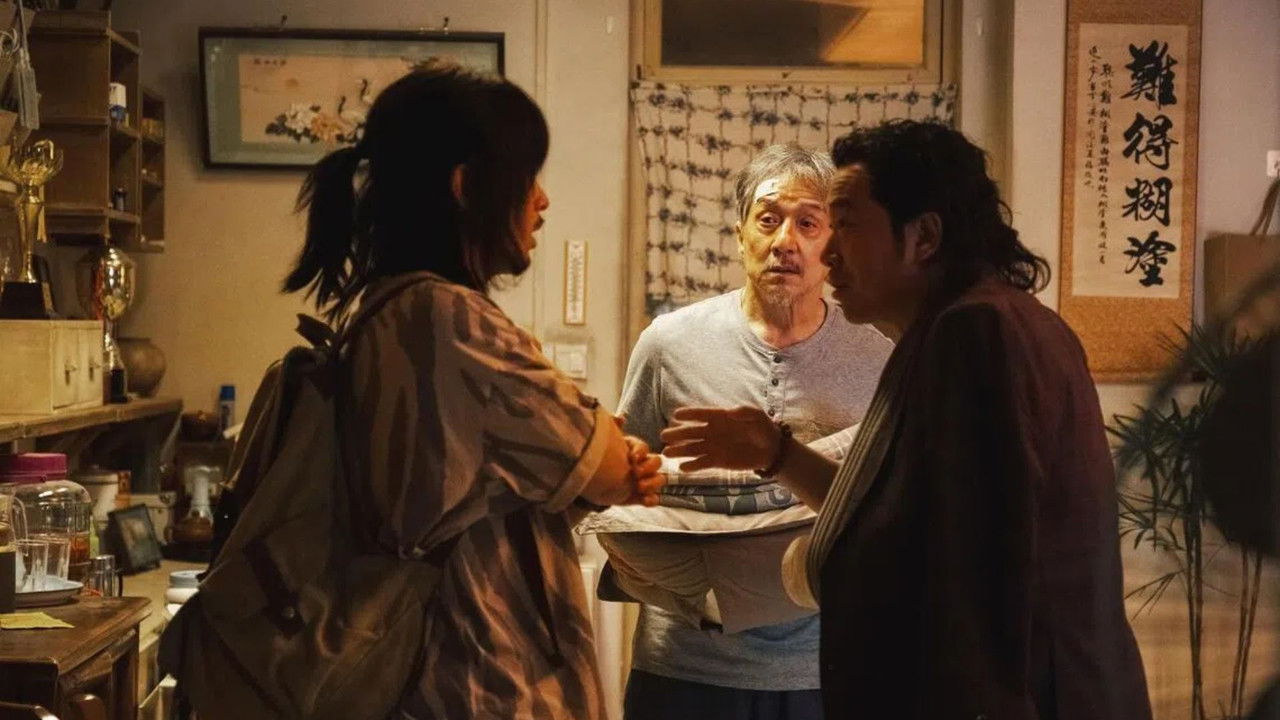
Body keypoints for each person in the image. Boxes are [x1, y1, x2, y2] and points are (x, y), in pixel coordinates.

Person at [661, 120, 1153, 719]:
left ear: (923, 237)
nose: (827, 253)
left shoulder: (974, 333)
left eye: (845, 224)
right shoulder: (962, 327)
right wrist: (778, 454)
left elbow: (973, 573)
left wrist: (806, 565)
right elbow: (908, 515)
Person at [284, 63, 664, 719]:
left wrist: (595, 456)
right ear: (465, 186)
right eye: (527, 178)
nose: (542, 200)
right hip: (480, 682)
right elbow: (604, 466)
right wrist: (612, 452)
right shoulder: (451, 320)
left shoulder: (385, 310)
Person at [602, 144, 892, 720]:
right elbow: (623, 483)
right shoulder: (668, 343)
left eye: (808, 223)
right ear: (740, 236)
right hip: (684, 666)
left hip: (825, 669)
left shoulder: (880, 356)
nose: (785, 240)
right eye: (768, 219)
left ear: (833, 244)